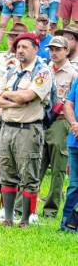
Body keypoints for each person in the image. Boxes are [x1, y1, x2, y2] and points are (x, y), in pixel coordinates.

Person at [0, 32, 53, 227]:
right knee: (7, 173)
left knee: (29, 174)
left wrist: (8, 97)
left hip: (28, 129)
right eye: (18, 47)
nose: (20, 50)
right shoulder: (11, 71)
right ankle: (8, 217)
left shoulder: (42, 72)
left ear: (36, 49)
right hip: (7, 127)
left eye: (25, 47)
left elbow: (28, 96)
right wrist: (14, 101)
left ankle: (26, 219)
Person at [39, 36, 78, 218]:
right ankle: (24, 205)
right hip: (41, 120)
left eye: (58, 49)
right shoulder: (45, 70)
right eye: (51, 49)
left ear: (66, 51)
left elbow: (71, 103)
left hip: (61, 122)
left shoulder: (73, 74)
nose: (54, 53)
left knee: (57, 168)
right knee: (36, 164)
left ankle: (50, 209)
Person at [61, 73, 78, 231]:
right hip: (75, 141)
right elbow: (68, 104)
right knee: (74, 185)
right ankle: (67, 225)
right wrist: (74, 124)